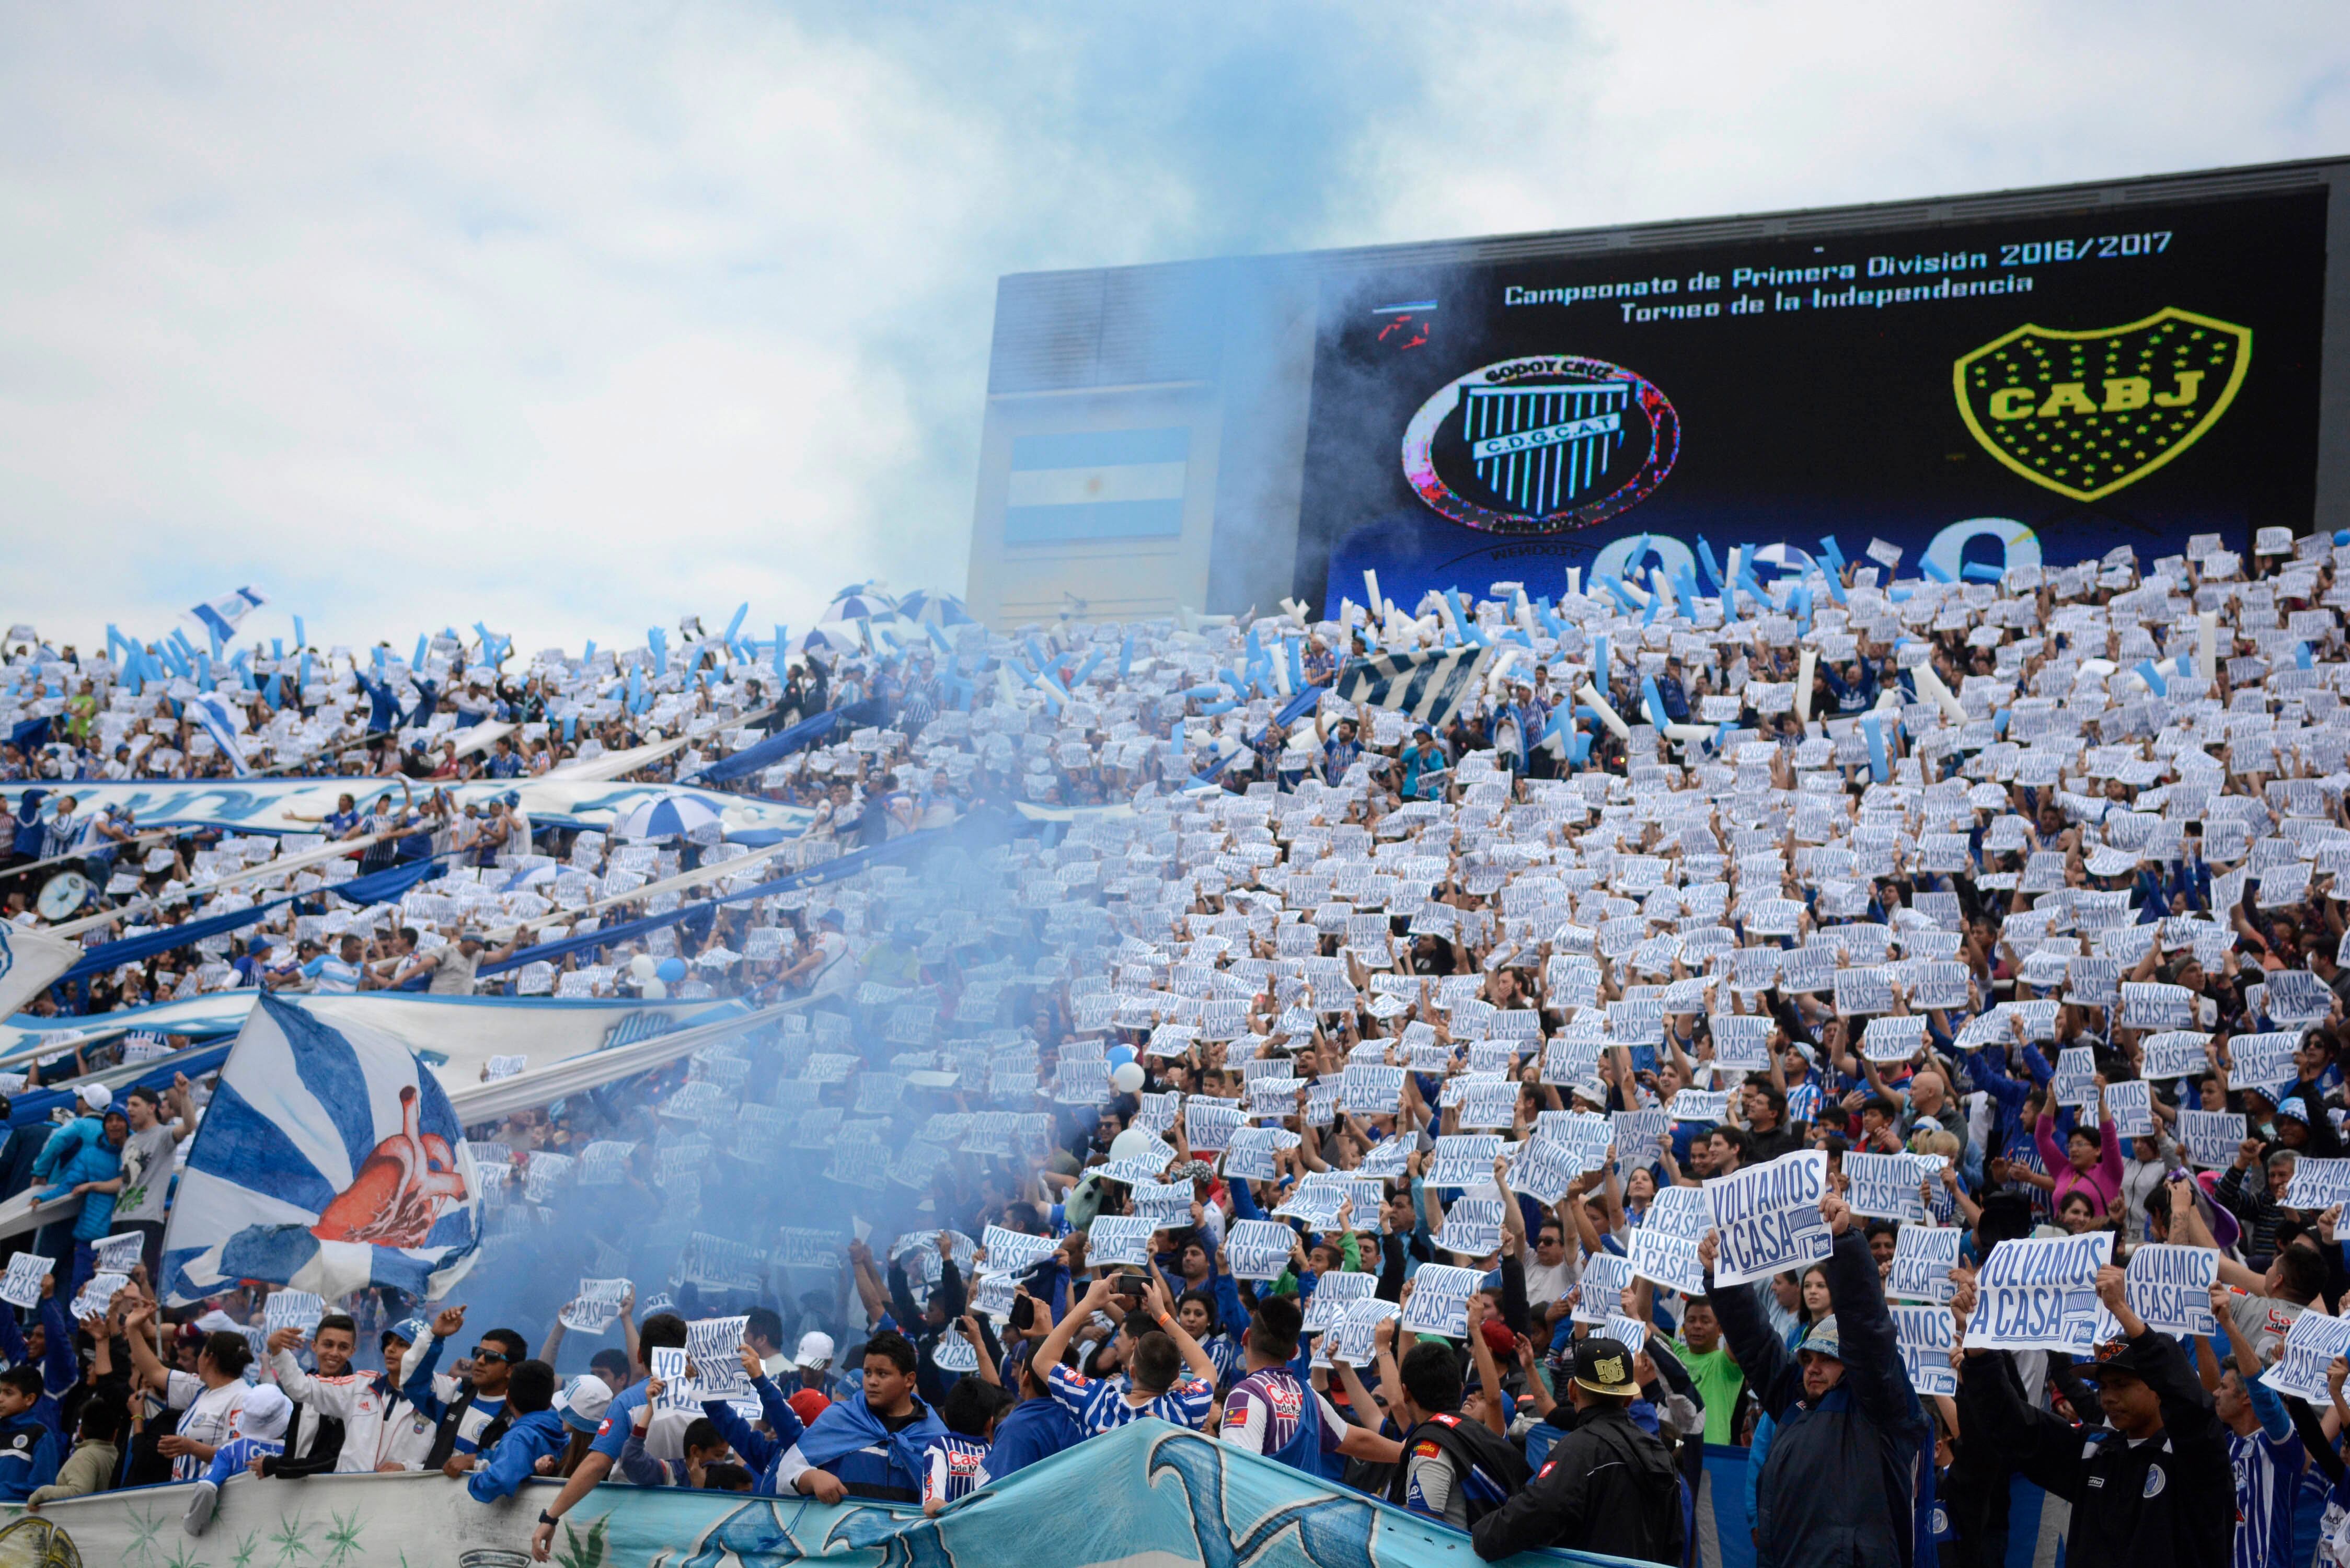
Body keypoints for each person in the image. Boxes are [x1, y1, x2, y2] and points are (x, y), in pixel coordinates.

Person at [1702, 1191, 1928, 1568]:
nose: (1814, 1367)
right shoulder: (1794, 1400)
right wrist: (1720, 1276)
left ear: (1853, 1367)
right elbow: (1757, 1345)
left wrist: (1844, 1244)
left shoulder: (1881, 1411)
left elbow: (1870, 1336)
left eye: (1829, 1359)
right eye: (1808, 1357)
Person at [1959, 1262, 2231, 1568]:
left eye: (2121, 1385)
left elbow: (2191, 1403)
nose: (2109, 1397)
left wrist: (2122, 1310)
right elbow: (2013, 1426)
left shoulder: (2194, 1451)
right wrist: (1979, 1351)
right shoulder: (2095, 1449)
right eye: (2103, 1386)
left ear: (2158, 1388)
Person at [1470, 1335, 1686, 1564]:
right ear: (1629, 1399)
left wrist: (1481, 1538)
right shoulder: (1659, 1453)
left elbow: (1538, 1510)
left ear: (1572, 1390)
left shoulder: (1577, 1451)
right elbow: (1676, 1542)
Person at [529, 1311, 691, 1562]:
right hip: (692, 1527)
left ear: (639, 1356)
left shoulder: (626, 1402)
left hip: (634, 1529)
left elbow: (598, 1463)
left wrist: (550, 1518)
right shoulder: (707, 1401)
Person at [1217, 1295, 1400, 1471]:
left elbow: (1237, 1472)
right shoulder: (1310, 1397)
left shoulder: (1245, 1396)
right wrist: (1409, 1450)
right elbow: (1360, 1442)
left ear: (1245, 1337)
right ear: (1294, 1352)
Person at [1035, 1273, 1217, 1435]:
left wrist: (1087, 1304)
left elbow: (1042, 1361)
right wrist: (1162, 1315)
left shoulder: (1097, 1402)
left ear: (1132, 1370)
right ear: (1177, 1376)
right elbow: (1205, 1368)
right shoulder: (1183, 1410)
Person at [1385, 1339, 1531, 1529]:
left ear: (1405, 1392)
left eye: (1482, 1398)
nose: (1472, 1398)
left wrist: (1381, 1510)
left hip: (1451, 1555)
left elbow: (1422, 1523)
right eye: (1472, 1394)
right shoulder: (1453, 1434)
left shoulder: (1432, 1443)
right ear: (1461, 1389)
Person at [792, 1329, 947, 1502]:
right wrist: (812, 1478)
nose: (872, 1381)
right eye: (868, 1373)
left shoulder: (935, 1437)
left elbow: (950, 1501)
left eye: (882, 1374)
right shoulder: (839, 1419)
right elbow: (786, 1471)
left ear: (909, 1380)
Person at [266, 1313, 433, 1473]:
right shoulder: (361, 1387)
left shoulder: (442, 1398)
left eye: (402, 1344)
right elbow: (300, 1388)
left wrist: (407, 1469)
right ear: (314, 1346)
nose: (390, 1349)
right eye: (389, 1343)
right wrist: (278, 1351)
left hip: (395, 1497)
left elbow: (445, 1462)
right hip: (336, 1495)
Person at [122, 1303, 251, 1481]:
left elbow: (237, 1457)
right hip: (183, 1495)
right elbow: (154, 1372)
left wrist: (192, 1447)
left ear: (210, 1358)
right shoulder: (201, 1387)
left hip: (214, 1499)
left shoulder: (242, 1398)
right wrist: (133, 1329)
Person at [401, 1304, 527, 1469]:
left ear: (510, 1370)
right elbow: (411, 1381)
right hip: (429, 1493)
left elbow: (515, 1461)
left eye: (491, 1357)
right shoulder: (456, 1392)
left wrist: (473, 1461)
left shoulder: (516, 1415)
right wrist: (435, 1336)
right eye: (478, 1353)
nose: (480, 1361)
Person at [181, 1383, 292, 1536]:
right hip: (280, 1533)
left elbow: (206, 1489)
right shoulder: (293, 1454)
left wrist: (192, 1524)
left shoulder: (231, 1451)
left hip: (238, 1536)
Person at [461, 1361, 568, 1502]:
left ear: (508, 1398)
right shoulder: (565, 1429)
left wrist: (470, 1482)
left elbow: (500, 1480)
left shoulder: (519, 1437)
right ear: (550, 1402)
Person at [984, 1345, 1084, 1479]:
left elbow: (996, 1492)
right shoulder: (1090, 1417)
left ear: (1026, 1377)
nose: (1013, 1374)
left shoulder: (1016, 1428)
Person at [921, 1375, 1008, 1515]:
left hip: (948, 1535)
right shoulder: (996, 1453)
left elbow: (934, 1506)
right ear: (989, 1424)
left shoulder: (939, 1447)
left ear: (945, 1418)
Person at [24, 1395, 119, 1505]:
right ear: (115, 1434)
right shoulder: (116, 1455)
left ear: (80, 1432)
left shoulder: (85, 1456)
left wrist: (42, 1493)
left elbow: (79, 1493)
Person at [0, 1365, 60, 1504]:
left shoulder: (40, 1435)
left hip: (16, 1522)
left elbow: (40, 1489)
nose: (1, 1398)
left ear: (29, 1399)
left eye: (8, 1393)